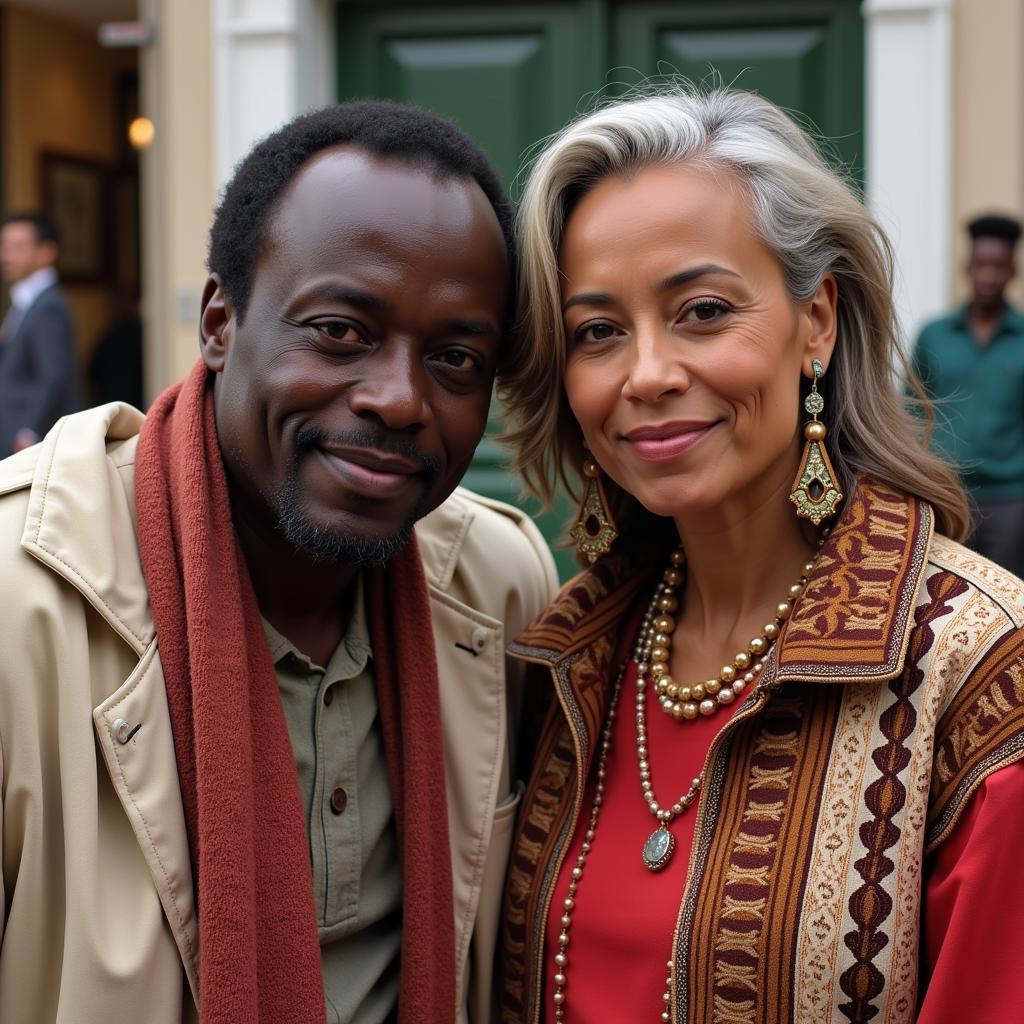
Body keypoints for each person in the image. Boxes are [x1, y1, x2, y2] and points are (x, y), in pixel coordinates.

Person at [0, 102, 556, 1024]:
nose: (398, 399)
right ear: (219, 322)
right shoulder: (23, 597)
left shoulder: (498, 587)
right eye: (341, 331)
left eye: (456, 358)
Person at [496, 89, 1024, 1024]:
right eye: (598, 332)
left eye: (701, 310)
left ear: (814, 320)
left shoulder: (977, 672)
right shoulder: (561, 659)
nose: (647, 373)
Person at [912, 214, 1024, 576]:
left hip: (1010, 499)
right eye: (981, 265)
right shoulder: (935, 334)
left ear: (1013, 271)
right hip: (947, 493)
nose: (988, 276)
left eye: (998, 266)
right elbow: (913, 407)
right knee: (943, 594)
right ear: (967, 268)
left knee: (1009, 598)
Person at [0, 211, 79, 454]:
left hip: (29, 441)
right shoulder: (25, 300)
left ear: (46, 252)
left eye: (18, 247)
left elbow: (53, 376)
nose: (6, 256)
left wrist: (27, 432)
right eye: (5, 246)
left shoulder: (48, 306)